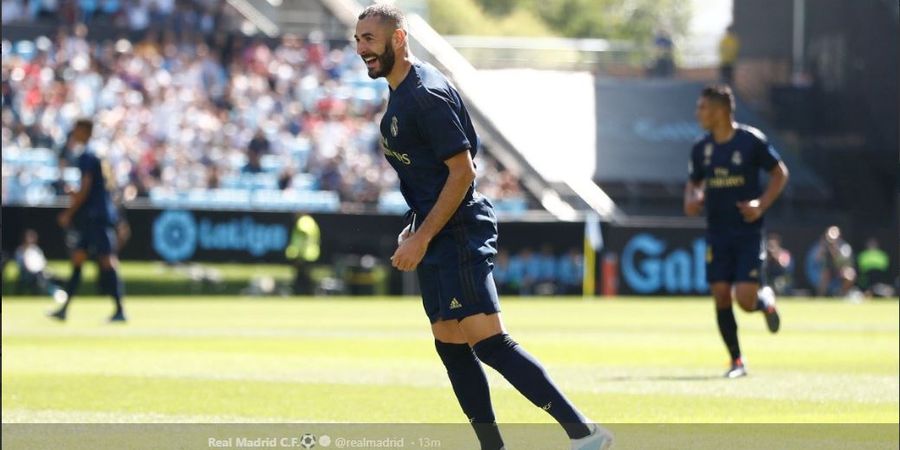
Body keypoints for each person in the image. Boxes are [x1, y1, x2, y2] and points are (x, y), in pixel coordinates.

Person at [354, 5, 612, 450]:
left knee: (488, 341)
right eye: (357, 40)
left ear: (398, 39)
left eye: (370, 40)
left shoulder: (425, 95)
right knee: (449, 342)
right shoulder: (399, 95)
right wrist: (413, 227)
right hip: (436, 232)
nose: (362, 50)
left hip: (457, 233)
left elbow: (462, 172)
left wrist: (423, 235)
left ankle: (585, 433)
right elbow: (428, 177)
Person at [684, 85, 789, 378]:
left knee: (744, 300)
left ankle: (764, 302)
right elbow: (693, 183)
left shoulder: (751, 141)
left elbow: (780, 173)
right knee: (720, 294)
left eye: (702, 107)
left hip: (747, 232)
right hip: (717, 232)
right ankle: (737, 361)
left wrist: (760, 204)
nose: (698, 113)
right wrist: (692, 200)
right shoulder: (700, 148)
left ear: (720, 111)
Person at [48, 119, 127, 322]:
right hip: (99, 214)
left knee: (107, 261)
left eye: (76, 129)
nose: (73, 133)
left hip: (94, 217)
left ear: (85, 130)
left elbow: (86, 188)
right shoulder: (99, 154)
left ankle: (120, 310)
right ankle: (65, 309)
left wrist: (69, 212)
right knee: (79, 259)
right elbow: (103, 188)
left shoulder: (88, 155)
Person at [14, 229, 66, 299]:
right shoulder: (21, 250)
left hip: (40, 272)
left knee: (54, 277)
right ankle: (55, 292)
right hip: (28, 274)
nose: (32, 240)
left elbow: (42, 263)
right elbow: (24, 266)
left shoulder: (36, 249)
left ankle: (57, 291)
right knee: (42, 278)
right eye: (30, 237)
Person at [814, 226, 857, 298]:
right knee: (825, 274)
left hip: (840, 270)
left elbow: (846, 263)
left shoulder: (844, 247)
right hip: (829, 270)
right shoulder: (824, 246)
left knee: (850, 275)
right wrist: (822, 249)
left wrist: (835, 251)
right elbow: (817, 259)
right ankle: (820, 297)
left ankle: (842, 294)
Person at [285, 214, 321, 295]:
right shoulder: (310, 220)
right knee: (306, 276)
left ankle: (305, 293)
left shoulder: (304, 220)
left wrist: (299, 253)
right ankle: (307, 292)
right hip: (310, 253)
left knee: (303, 277)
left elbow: (305, 233)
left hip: (305, 254)